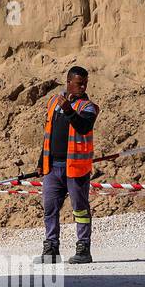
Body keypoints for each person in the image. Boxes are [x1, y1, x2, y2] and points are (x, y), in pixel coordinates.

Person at [38, 66, 99, 264]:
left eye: (85, 83)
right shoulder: (53, 102)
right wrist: (41, 161)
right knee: (50, 208)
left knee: (80, 209)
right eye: (79, 83)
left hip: (76, 168)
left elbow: (83, 127)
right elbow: (48, 133)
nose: (83, 86)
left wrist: (68, 110)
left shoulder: (88, 107)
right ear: (69, 82)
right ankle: (51, 247)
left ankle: (83, 248)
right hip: (52, 166)